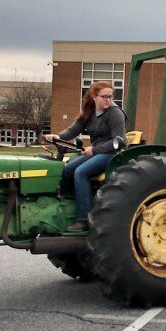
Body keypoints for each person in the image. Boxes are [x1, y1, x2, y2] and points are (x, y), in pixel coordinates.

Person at [45, 81, 126, 231]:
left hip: (111, 153)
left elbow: (120, 141)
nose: (108, 99)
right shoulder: (90, 111)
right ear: (95, 97)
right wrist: (58, 136)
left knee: (80, 173)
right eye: (104, 96)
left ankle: (84, 220)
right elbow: (74, 129)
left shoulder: (115, 113)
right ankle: (67, 204)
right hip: (95, 152)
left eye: (110, 96)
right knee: (66, 170)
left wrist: (94, 150)